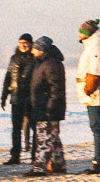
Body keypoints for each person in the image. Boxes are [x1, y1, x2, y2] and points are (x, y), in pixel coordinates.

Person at [24, 36, 67, 174]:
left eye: (35, 49)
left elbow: (56, 88)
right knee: (53, 137)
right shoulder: (42, 63)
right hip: (43, 106)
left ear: (41, 49)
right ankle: (57, 163)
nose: (32, 51)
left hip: (47, 108)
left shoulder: (51, 64)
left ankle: (39, 167)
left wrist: (50, 107)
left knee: (43, 138)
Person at [75, 19, 100, 173]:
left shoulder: (96, 47)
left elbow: (96, 71)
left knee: (97, 127)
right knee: (96, 126)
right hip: (94, 92)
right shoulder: (93, 46)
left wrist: (88, 89)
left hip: (96, 93)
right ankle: (99, 159)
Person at [0, 34, 36, 165]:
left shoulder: (35, 58)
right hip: (16, 97)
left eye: (25, 43)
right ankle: (15, 156)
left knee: (34, 128)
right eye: (21, 43)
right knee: (16, 128)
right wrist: (4, 96)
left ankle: (35, 156)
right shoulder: (14, 58)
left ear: (31, 44)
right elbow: (8, 77)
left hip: (30, 97)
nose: (23, 45)